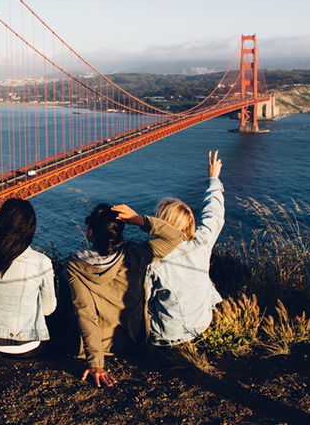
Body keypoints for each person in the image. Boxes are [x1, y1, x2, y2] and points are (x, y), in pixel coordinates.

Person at [67, 201, 184, 387]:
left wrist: (96, 364)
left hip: (100, 346)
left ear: (90, 233)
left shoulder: (75, 265)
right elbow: (175, 237)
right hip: (134, 341)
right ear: (119, 230)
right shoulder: (137, 254)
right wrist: (139, 220)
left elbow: (85, 313)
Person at [146, 150, 225, 346]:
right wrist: (213, 179)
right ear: (189, 222)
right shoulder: (201, 243)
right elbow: (214, 214)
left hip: (165, 335)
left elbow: (142, 302)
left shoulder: (152, 260)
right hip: (202, 324)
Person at [0, 198, 56, 358]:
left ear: (0, 223)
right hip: (27, 346)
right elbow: (48, 310)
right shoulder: (41, 262)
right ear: (30, 228)